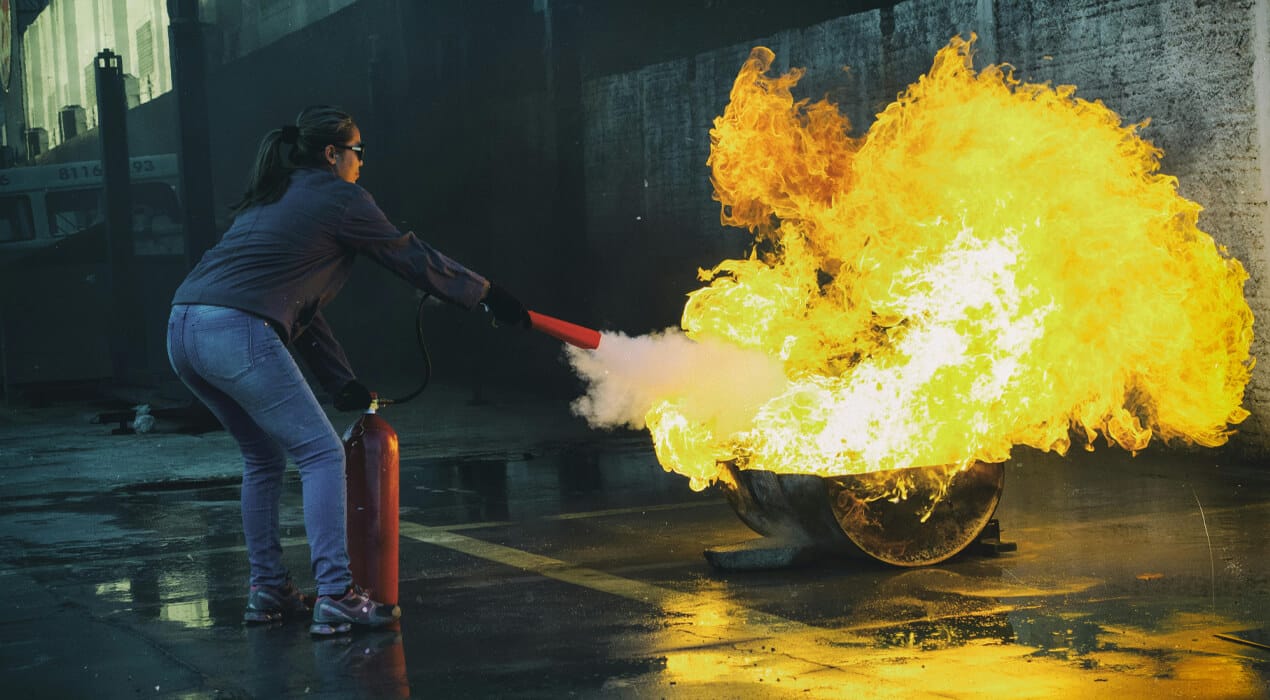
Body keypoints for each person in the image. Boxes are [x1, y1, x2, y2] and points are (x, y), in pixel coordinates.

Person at [166, 105, 529, 636]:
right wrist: (487, 295)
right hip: (235, 330)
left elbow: (297, 307)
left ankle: (267, 590)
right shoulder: (341, 199)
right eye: (357, 151)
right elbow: (411, 257)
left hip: (183, 329)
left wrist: (341, 381)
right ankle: (336, 595)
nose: (362, 163)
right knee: (320, 453)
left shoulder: (274, 195)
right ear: (332, 155)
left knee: (262, 457)